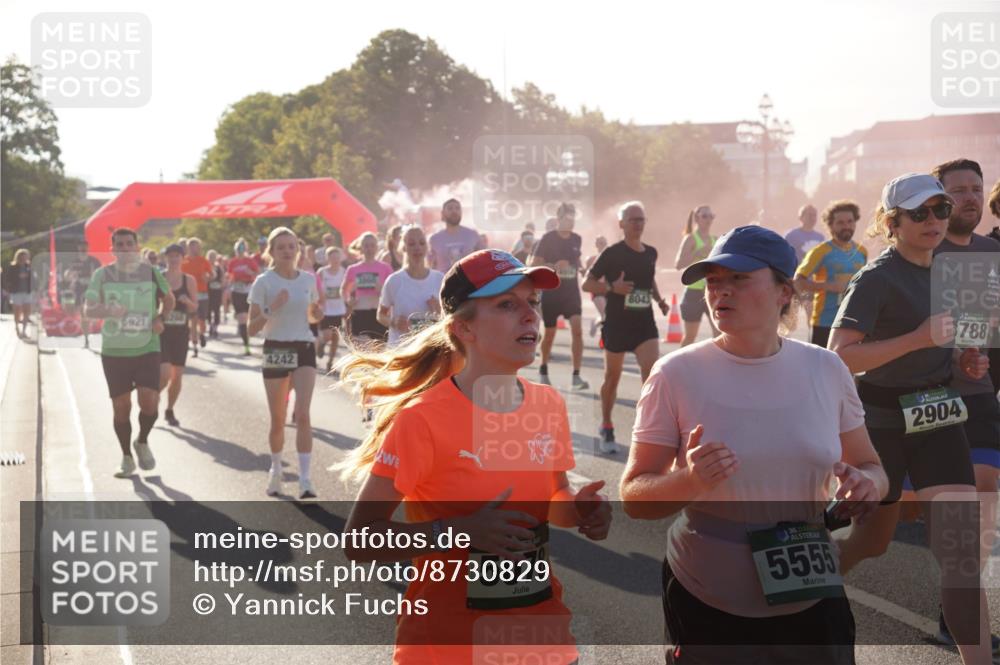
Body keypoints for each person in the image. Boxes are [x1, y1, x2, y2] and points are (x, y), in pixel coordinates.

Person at [622, 224, 887, 664]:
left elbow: (872, 467)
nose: (720, 293)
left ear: (785, 291)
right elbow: (633, 495)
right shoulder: (675, 373)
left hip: (812, 587)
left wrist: (867, 486)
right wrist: (689, 480)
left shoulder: (826, 368)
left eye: (739, 279)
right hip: (707, 595)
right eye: (713, 282)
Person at [337, 248, 611, 665]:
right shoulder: (422, 420)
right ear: (463, 327)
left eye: (532, 303)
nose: (529, 315)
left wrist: (580, 509)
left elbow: (554, 503)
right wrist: (458, 532)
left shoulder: (548, 404)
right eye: (507, 304)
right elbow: (359, 541)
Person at [830, 173, 992, 664]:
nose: (932, 221)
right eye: (918, 213)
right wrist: (917, 340)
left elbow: (954, 342)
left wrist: (966, 361)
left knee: (961, 556)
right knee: (874, 541)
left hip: (938, 416)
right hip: (879, 423)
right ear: (890, 222)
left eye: (940, 210)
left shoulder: (950, 271)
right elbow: (838, 356)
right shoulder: (875, 278)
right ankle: (824, 574)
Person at [929, 158, 1000, 651]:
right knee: (882, 525)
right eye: (960, 191)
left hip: (975, 394)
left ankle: (958, 607)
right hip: (923, 399)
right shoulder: (920, 251)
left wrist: (973, 364)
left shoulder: (987, 249)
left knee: (983, 501)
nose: (971, 198)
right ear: (939, 199)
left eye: (977, 188)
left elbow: (978, 327)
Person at [84, 228, 175, 477]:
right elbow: (88, 309)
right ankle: (126, 456)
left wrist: (161, 317)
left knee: (149, 401)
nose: (124, 249)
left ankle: (142, 440)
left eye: (129, 244)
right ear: (112, 249)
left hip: (147, 345)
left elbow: (169, 299)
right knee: (121, 406)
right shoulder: (102, 275)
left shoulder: (151, 272)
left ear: (136, 247)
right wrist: (108, 311)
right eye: (119, 245)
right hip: (115, 350)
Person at [582, 201, 669, 453]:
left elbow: (649, 276)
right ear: (621, 224)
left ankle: (647, 429)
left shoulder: (651, 252)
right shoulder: (611, 253)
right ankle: (607, 424)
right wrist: (611, 288)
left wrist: (659, 299)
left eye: (641, 219)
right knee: (613, 378)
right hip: (617, 323)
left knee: (652, 375)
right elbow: (587, 284)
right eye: (633, 220)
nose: (638, 224)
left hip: (644, 322)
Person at [247, 227, 323, 499]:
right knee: (278, 418)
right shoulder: (263, 282)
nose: (287, 251)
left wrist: (317, 314)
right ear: (272, 252)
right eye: (281, 247)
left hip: (303, 347)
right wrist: (272, 308)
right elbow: (251, 328)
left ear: (297, 250)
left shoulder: (308, 280)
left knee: (303, 414)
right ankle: (276, 469)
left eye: (291, 246)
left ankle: (305, 479)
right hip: (276, 348)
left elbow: (312, 317)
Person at [530, 202, 589, 390]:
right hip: (552, 292)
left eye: (573, 218)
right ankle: (543, 369)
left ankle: (576, 375)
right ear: (559, 218)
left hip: (571, 292)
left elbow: (576, 257)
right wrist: (554, 266)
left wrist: (581, 268)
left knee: (578, 331)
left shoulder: (576, 239)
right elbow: (534, 263)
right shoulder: (548, 238)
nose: (571, 222)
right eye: (567, 218)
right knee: (549, 334)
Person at [794, 201, 868, 348]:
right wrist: (830, 286)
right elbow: (798, 282)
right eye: (840, 222)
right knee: (822, 370)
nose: (846, 226)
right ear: (830, 225)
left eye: (850, 221)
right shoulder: (820, 251)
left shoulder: (862, 252)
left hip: (853, 323)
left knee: (849, 370)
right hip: (825, 323)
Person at [378, 225, 444, 347]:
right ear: (404, 248)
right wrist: (393, 322)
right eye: (411, 244)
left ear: (427, 247)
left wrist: (439, 311)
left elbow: (450, 318)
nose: (417, 248)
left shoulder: (439, 279)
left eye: (422, 243)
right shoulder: (394, 280)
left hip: (429, 349)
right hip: (400, 350)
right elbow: (380, 315)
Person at [158, 244, 198, 427]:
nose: (173, 259)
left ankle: (169, 409)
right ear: (166, 258)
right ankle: (153, 397)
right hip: (162, 333)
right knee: (164, 374)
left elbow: (195, 307)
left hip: (181, 333)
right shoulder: (160, 278)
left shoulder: (188, 280)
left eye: (177, 256)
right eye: (170, 256)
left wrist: (187, 301)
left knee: (177, 376)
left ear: (183, 258)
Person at [674, 205, 719, 346]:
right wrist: (697, 253)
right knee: (690, 337)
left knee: (719, 334)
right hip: (694, 291)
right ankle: (679, 366)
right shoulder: (691, 239)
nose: (708, 219)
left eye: (711, 216)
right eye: (705, 216)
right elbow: (678, 264)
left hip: (712, 291)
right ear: (697, 219)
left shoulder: (715, 240)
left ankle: (718, 366)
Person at [342, 232, 393, 344]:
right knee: (363, 350)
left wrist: (383, 291)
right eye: (366, 245)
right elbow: (343, 289)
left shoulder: (385, 268)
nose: (369, 248)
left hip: (380, 312)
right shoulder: (353, 269)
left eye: (372, 245)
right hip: (359, 311)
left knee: (379, 350)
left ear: (377, 247)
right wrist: (348, 301)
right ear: (361, 248)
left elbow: (393, 290)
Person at [428, 198, 484, 272]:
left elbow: (484, 261)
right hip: (444, 282)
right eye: (450, 208)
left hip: (468, 282)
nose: (454, 211)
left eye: (457, 208)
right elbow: (431, 266)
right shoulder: (435, 239)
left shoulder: (473, 235)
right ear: (443, 213)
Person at [228, 238, 260, 356]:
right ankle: (247, 346)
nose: (240, 251)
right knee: (242, 318)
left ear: (245, 249)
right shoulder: (232, 262)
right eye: (238, 249)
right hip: (236, 291)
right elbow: (229, 275)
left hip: (248, 291)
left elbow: (258, 274)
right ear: (235, 250)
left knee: (249, 319)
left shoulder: (249, 261)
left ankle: (249, 338)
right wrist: (230, 284)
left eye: (242, 249)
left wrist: (250, 273)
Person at [316, 247, 346, 372]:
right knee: (327, 334)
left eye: (337, 257)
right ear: (328, 259)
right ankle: (322, 344)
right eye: (332, 257)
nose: (335, 260)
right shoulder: (322, 272)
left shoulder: (343, 271)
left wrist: (348, 303)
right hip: (326, 309)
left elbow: (347, 288)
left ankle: (330, 361)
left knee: (335, 337)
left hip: (338, 309)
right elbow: (316, 288)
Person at [181, 237, 213, 355]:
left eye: (197, 247)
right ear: (188, 248)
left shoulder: (203, 261)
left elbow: (212, 275)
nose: (195, 249)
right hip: (190, 296)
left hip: (203, 294)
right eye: (192, 246)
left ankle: (201, 334)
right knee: (193, 321)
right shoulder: (183, 261)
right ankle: (194, 346)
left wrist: (208, 278)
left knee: (202, 320)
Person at [70, 240, 102, 348]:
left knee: (90, 312)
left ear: (88, 248)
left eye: (84, 248)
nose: (83, 250)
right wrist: (72, 280)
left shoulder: (94, 261)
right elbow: (72, 275)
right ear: (78, 248)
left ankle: (91, 322)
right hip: (79, 289)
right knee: (83, 314)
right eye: (81, 248)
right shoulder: (75, 261)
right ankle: (86, 338)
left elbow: (100, 275)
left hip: (91, 289)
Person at [585, 235, 609, 338]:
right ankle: (606, 337)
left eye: (604, 243)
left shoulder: (611, 258)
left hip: (608, 290)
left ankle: (595, 322)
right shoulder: (591, 259)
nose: (602, 245)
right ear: (596, 245)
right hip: (596, 290)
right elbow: (587, 275)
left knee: (608, 315)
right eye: (600, 243)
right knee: (605, 314)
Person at [7, 249, 33, 338]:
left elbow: (33, 278)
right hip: (16, 292)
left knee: (27, 311)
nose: (24, 259)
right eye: (22, 257)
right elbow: (8, 279)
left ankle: (24, 330)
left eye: (26, 257)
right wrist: (17, 278)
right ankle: (17, 326)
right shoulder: (13, 267)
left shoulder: (29, 266)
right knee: (17, 312)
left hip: (27, 292)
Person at [206, 249, 225, 338]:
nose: (212, 259)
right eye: (210, 257)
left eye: (213, 257)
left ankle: (215, 327)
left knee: (216, 308)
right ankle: (210, 325)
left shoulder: (218, 267)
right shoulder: (206, 267)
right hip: (208, 290)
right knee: (209, 308)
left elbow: (222, 279)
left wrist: (220, 283)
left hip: (217, 290)